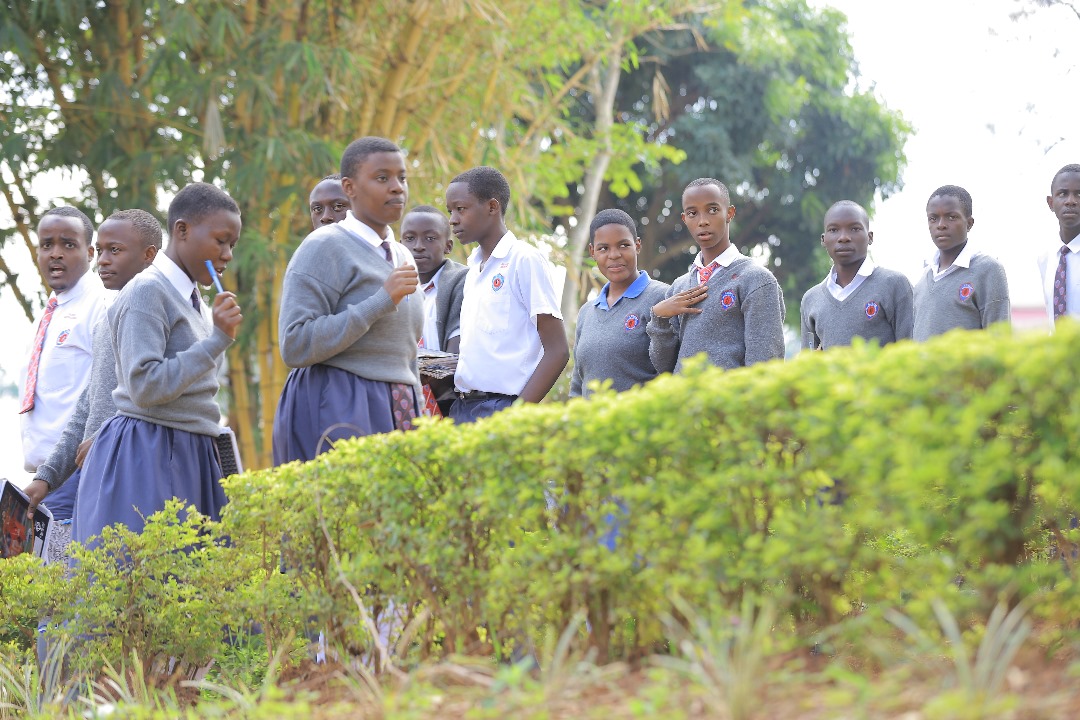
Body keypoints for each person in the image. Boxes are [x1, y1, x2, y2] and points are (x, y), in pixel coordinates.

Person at [73, 183, 243, 546]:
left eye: (232, 244)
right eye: (220, 240)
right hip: (150, 453)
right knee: (154, 586)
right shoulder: (148, 290)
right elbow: (145, 386)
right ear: (181, 230)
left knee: (197, 587)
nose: (227, 254)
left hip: (188, 450)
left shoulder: (194, 297)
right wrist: (217, 341)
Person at [273, 137, 424, 464]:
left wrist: (419, 417)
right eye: (382, 178)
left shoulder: (402, 255)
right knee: (346, 515)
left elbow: (406, 352)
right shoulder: (323, 247)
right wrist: (381, 300)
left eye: (402, 178)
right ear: (350, 187)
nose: (397, 188)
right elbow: (294, 343)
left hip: (399, 406)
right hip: (339, 403)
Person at [26, 210, 162, 525]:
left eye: (113, 251)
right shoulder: (100, 313)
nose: (103, 260)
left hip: (115, 471)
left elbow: (156, 393)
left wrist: (105, 440)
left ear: (149, 255)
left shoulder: (121, 309)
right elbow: (88, 405)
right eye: (102, 251)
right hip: (79, 468)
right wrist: (46, 476)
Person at [446, 166, 568, 423]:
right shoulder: (473, 269)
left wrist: (515, 416)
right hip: (463, 408)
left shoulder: (524, 259)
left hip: (502, 408)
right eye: (450, 211)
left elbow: (558, 350)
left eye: (461, 209)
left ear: (492, 207)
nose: (453, 219)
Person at [19, 207, 108, 515]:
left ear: (90, 252)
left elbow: (113, 385)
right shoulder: (49, 314)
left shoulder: (101, 305)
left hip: (80, 472)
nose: (55, 254)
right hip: (46, 479)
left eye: (68, 244)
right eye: (47, 245)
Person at [647, 178, 785, 373]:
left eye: (712, 210)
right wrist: (659, 318)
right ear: (684, 219)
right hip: (683, 402)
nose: (702, 221)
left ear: (730, 213)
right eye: (692, 213)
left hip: (730, 401)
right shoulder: (678, 288)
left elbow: (766, 366)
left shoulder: (756, 280)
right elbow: (665, 369)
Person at [570, 209, 669, 397]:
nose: (614, 255)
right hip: (592, 424)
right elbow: (578, 383)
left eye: (623, 245)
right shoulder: (586, 313)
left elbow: (672, 367)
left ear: (637, 245)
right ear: (592, 252)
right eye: (603, 248)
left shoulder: (662, 296)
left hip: (639, 421)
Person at [801, 200, 913, 349]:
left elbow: (912, 351)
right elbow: (808, 361)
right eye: (834, 230)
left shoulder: (894, 285)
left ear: (870, 237)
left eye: (854, 229)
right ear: (823, 240)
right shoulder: (811, 299)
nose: (844, 237)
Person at [912, 186, 1010, 340]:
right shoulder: (922, 280)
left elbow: (1000, 339)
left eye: (951, 217)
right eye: (933, 218)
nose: (941, 225)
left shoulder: (988, 270)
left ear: (969, 223)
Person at [401, 205, 467, 417]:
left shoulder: (461, 282)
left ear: (448, 245)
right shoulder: (394, 290)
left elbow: (453, 360)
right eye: (409, 238)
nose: (418, 246)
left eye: (430, 238)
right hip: (402, 397)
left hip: (446, 401)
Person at [1039, 163, 1080, 329]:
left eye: (1079, 194)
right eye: (1063, 194)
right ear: (1051, 202)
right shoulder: (1046, 259)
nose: (1071, 201)